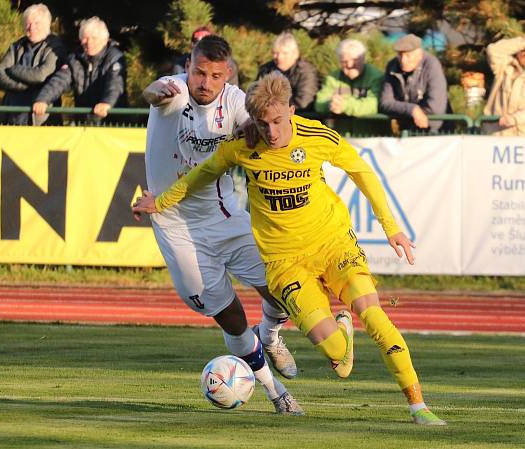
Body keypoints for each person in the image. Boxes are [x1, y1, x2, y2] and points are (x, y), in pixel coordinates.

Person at [133, 72, 447, 426]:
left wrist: (392, 228)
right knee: (336, 356)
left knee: (375, 317)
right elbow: (200, 175)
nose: (272, 131)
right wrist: (160, 202)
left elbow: (362, 172)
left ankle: (419, 407)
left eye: (279, 121)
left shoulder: (316, 136)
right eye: (263, 124)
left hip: (333, 245)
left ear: (292, 111)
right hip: (284, 265)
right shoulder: (242, 146)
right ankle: (340, 331)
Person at [137, 36, 302, 415]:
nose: (204, 82)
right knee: (229, 316)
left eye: (214, 75)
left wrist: (256, 132)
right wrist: (157, 89)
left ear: (226, 73)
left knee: (282, 288)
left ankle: (272, 336)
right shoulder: (174, 90)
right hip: (176, 226)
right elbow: (154, 93)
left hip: (225, 216)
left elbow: (260, 129)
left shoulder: (236, 102)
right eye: (198, 72)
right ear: (188, 66)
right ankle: (276, 393)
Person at [32, 17, 127, 125]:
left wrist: (106, 104)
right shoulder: (74, 59)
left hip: (113, 125)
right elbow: (59, 81)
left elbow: (115, 85)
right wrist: (43, 99)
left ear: (105, 40)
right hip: (83, 125)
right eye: (85, 38)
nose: (89, 42)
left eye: (94, 38)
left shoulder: (115, 58)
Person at [0, 3, 65, 125]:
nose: (31, 27)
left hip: (41, 120)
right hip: (12, 118)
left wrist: (14, 69)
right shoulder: (16, 46)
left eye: (37, 23)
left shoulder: (55, 47)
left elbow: (40, 75)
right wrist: (25, 86)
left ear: (47, 25)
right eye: (28, 23)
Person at [380, 33, 449, 133]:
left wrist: (406, 111)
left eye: (408, 55)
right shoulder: (392, 65)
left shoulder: (432, 65)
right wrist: (412, 110)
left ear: (419, 55)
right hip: (406, 132)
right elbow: (385, 103)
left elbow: (435, 107)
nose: (403, 60)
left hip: (437, 131)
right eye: (400, 55)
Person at [314, 38, 383, 117]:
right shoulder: (332, 78)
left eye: (355, 60)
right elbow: (319, 104)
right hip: (338, 128)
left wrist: (345, 106)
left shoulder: (375, 76)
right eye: (344, 61)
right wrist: (330, 104)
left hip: (367, 127)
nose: (350, 65)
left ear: (363, 58)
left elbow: (374, 105)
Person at [256, 32, 319, 113]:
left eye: (284, 53)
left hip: (299, 118)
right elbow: (256, 96)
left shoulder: (306, 72)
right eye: (275, 53)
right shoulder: (266, 69)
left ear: (295, 54)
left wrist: (275, 107)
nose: (279, 57)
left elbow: (303, 103)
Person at [171, 26, 240, 86]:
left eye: (215, 76)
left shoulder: (228, 64)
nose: (202, 46)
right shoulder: (180, 65)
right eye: (196, 41)